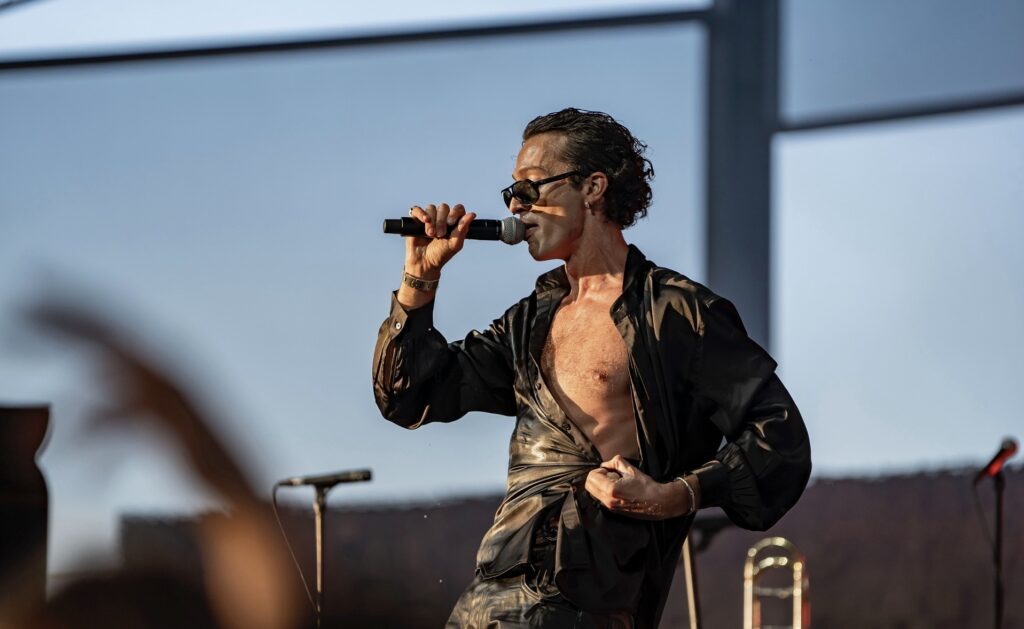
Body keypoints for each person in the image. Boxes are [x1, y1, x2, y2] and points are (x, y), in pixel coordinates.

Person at [372, 108, 811, 628]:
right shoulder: (527, 323)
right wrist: (419, 280)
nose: (515, 204)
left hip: (587, 598)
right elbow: (408, 395)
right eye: (511, 191)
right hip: (490, 596)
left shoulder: (675, 313)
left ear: (593, 188)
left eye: (530, 187)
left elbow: (780, 438)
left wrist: (675, 496)